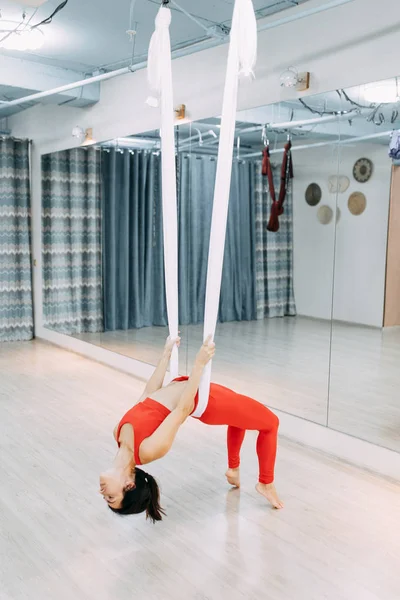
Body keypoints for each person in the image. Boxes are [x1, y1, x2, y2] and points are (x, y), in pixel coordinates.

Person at [100, 336, 283, 522]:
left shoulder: (118, 433)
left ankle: (233, 470)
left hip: (188, 384)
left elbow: (148, 394)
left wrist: (166, 354)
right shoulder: (147, 450)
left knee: (241, 419)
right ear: (129, 486)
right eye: (111, 497)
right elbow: (182, 409)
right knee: (271, 423)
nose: (103, 493)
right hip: (208, 401)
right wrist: (199, 365)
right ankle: (265, 483)